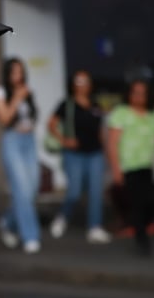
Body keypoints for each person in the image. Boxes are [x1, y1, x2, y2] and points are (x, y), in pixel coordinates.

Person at [106, 78, 154, 256]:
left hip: (153, 165)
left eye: (143, 93)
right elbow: (112, 143)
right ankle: (142, 241)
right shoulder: (121, 113)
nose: (139, 96)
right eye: (135, 92)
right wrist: (116, 169)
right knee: (138, 204)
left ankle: (140, 225)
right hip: (131, 166)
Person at [47, 70, 112, 244]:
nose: (82, 84)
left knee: (96, 191)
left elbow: (100, 131)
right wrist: (64, 140)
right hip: (74, 154)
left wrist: (107, 153)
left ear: (90, 84)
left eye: (85, 81)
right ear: (73, 84)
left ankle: (95, 227)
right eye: (78, 81)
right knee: (74, 191)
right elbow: (51, 124)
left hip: (95, 153)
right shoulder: (66, 104)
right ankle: (63, 216)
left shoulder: (95, 105)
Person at [0, 57, 42, 254]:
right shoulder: (0, 91)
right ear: (7, 74)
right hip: (12, 141)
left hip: (28, 140)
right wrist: (17, 98)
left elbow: (32, 116)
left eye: (20, 72)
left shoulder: (26, 91)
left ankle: (8, 221)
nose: (18, 76)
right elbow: (4, 118)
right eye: (14, 72)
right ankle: (30, 236)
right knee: (21, 189)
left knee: (32, 189)